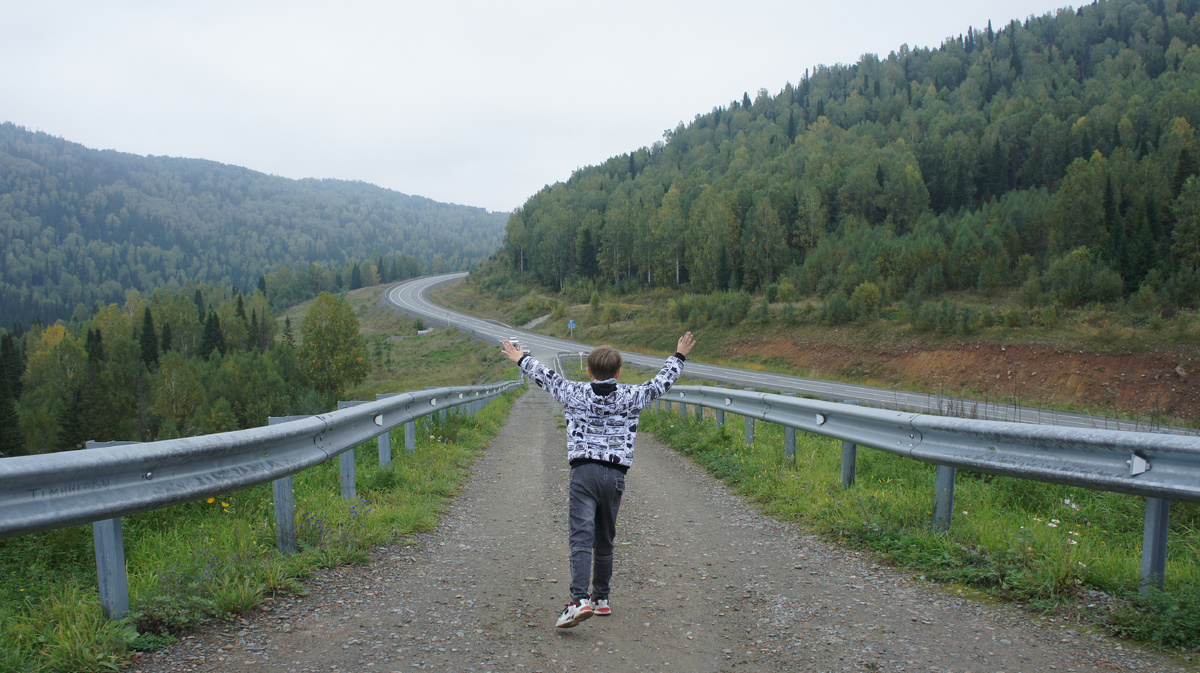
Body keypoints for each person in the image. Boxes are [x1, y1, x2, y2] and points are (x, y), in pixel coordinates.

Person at [500, 332, 696, 628]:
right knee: (605, 538)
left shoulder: (574, 392)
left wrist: (521, 358)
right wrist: (679, 355)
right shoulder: (632, 395)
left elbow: (546, 376)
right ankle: (601, 599)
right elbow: (661, 382)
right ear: (619, 372)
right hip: (615, 475)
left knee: (581, 537)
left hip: (584, 473)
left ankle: (579, 600)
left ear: (589, 371)